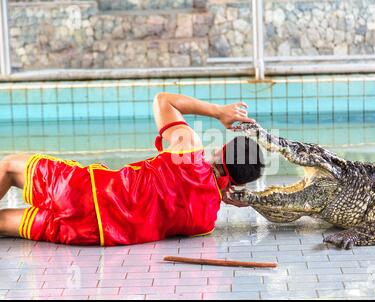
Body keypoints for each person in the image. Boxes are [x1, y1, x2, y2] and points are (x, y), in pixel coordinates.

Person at [0, 93, 265, 246]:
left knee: (9, 167)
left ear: (222, 150)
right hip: (91, 233)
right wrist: (222, 195)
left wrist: (219, 112)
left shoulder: (189, 152)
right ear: (238, 183)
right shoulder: (205, 222)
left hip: (84, 190)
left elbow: (164, 101)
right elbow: (204, 196)